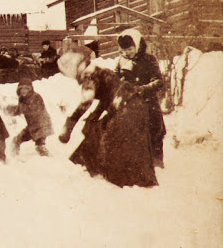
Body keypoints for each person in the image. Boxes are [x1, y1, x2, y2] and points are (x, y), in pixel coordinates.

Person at [57, 47, 158, 188]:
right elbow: (107, 97)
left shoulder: (89, 76)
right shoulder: (99, 71)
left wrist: (70, 124)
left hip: (125, 108)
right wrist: (95, 116)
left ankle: (120, 181)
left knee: (113, 144)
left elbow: (86, 102)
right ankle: (140, 180)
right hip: (136, 105)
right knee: (129, 143)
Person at [114, 29, 166, 168]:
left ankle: (157, 162)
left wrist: (141, 90)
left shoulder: (149, 59)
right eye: (124, 50)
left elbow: (158, 81)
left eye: (130, 49)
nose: (127, 53)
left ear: (137, 45)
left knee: (154, 132)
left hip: (148, 103)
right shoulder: (120, 62)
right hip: (129, 105)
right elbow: (114, 81)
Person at [10, 78, 54, 157]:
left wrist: (11, 109)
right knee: (16, 140)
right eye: (21, 89)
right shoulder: (23, 99)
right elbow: (19, 110)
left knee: (40, 146)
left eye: (26, 89)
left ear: (30, 89)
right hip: (33, 126)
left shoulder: (36, 97)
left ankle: (50, 161)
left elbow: (29, 109)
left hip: (41, 126)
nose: (23, 91)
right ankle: (13, 157)